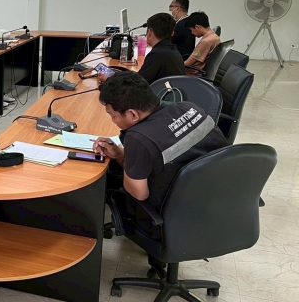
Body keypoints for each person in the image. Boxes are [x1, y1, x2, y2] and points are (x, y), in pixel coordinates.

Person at [93, 72, 227, 211]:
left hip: (176, 210)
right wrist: (120, 154)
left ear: (132, 114)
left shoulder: (138, 138)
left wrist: (127, 157)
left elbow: (139, 194)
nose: (113, 121)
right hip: (219, 193)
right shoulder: (188, 107)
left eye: (113, 115)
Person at [136, 13, 185, 84]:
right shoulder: (172, 50)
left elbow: (138, 83)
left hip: (160, 90)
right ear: (172, 33)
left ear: (150, 32)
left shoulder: (156, 54)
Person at [184, 11, 220, 75]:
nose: (192, 33)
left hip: (191, 74)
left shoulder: (206, 42)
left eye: (191, 30)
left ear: (197, 27)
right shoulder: (214, 37)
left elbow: (188, 63)